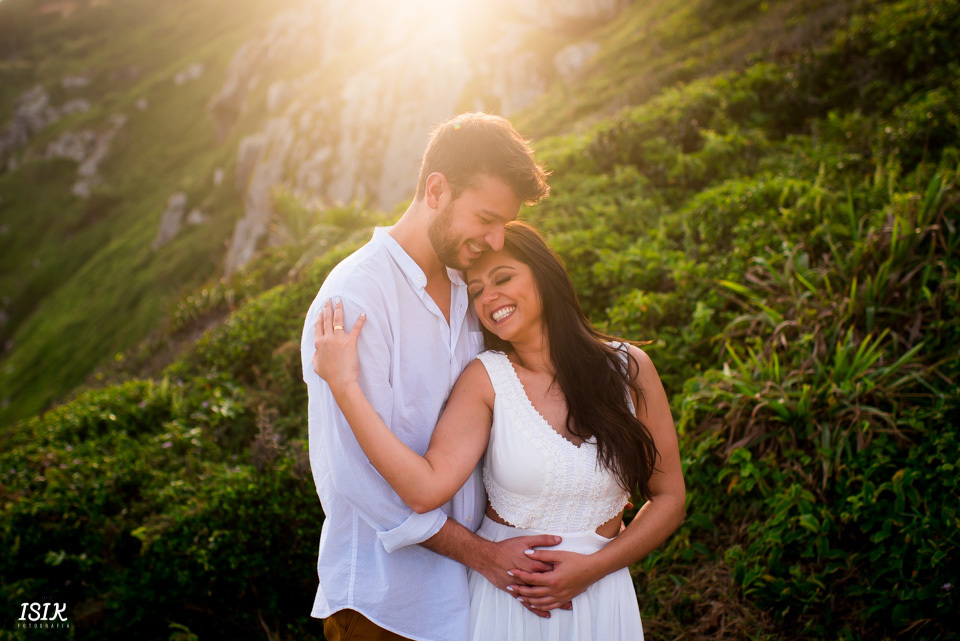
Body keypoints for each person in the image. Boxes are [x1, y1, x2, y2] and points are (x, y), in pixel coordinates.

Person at [314, 221, 686, 640]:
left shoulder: (629, 368)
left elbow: (670, 497)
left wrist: (596, 567)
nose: (489, 298)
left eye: (503, 278)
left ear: (544, 275)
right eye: (475, 291)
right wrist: (346, 389)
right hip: (513, 609)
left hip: (605, 599)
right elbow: (424, 489)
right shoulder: (486, 379)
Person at [300, 113, 566, 641]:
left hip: (474, 603)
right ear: (437, 190)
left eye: (503, 225)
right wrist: (483, 555)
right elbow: (357, 481)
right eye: (486, 218)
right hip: (385, 608)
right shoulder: (353, 300)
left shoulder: (475, 289)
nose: (495, 241)